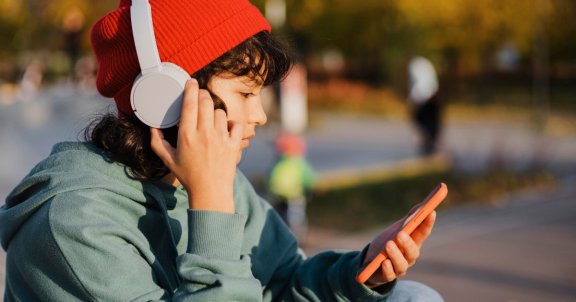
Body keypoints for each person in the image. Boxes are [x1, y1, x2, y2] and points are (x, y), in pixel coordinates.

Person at [0, 1, 443, 301]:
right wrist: (211, 208)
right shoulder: (73, 224)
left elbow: (282, 282)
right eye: (246, 94)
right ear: (168, 96)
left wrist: (362, 271)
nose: (261, 117)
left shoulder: (214, 179)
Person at [268, 132, 316, 242]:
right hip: (279, 195)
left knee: (295, 217)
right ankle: (282, 235)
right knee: (279, 216)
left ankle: (297, 236)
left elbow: (308, 176)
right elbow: (273, 175)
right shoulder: (280, 161)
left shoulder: (299, 162)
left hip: (295, 195)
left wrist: (309, 187)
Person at [407, 56, 442, 156]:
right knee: (429, 124)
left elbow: (415, 85)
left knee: (424, 123)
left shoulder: (415, 65)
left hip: (423, 99)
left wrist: (412, 99)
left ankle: (428, 144)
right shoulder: (424, 64)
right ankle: (429, 144)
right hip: (430, 96)